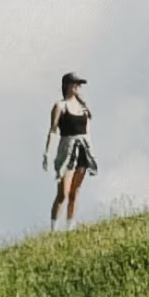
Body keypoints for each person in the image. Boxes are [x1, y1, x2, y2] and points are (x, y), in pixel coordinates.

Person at [43, 72, 98, 231]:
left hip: (82, 149)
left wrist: (90, 150)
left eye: (79, 84)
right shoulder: (60, 106)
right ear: (67, 85)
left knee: (75, 192)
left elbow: (88, 127)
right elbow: (53, 130)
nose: (77, 87)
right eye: (75, 83)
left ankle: (70, 226)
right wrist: (47, 153)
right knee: (63, 193)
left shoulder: (83, 108)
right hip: (67, 149)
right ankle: (54, 229)